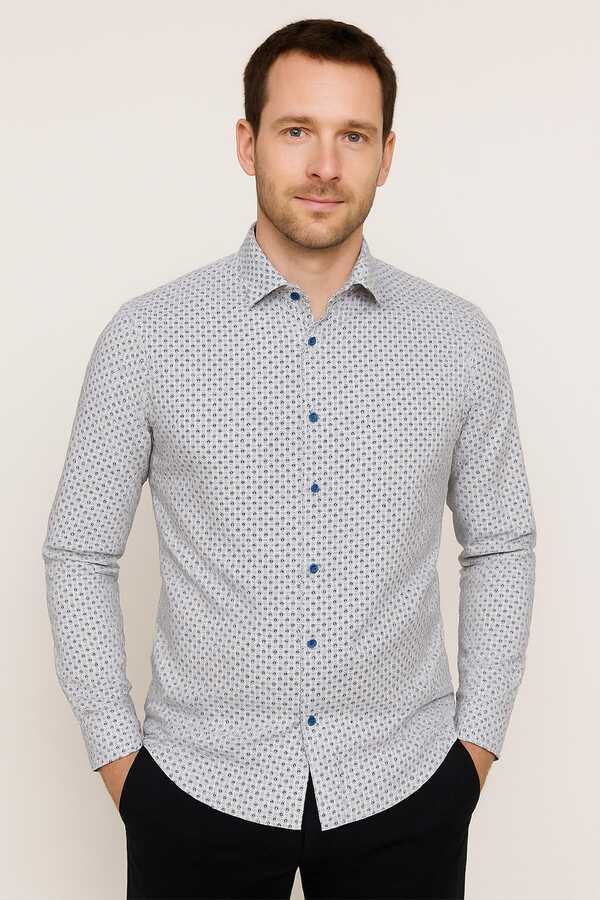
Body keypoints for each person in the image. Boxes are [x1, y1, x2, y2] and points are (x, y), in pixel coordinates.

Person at [41, 16, 537, 900]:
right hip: (196, 788)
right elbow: (78, 550)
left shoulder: (458, 341)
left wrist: (475, 752)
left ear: (387, 155)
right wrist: (122, 764)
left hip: (406, 785)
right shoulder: (148, 337)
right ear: (248, 143)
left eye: (354, 136)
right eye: (297, 130)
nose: (324, 165)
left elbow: (501, 543)